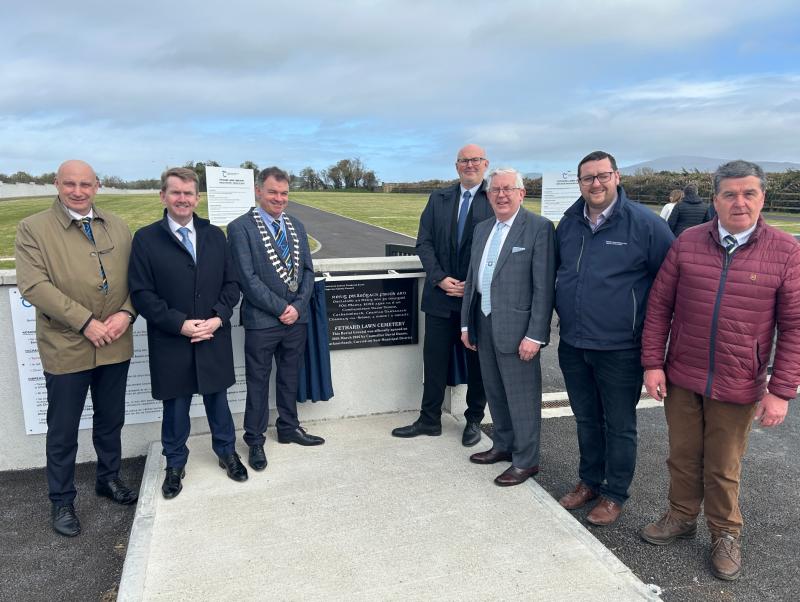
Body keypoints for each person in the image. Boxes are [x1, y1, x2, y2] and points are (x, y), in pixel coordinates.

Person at [640, 160, 800, 581]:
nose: (739, 202)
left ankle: (726, 533)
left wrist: (781, 390)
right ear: (715, 200)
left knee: (723, 464)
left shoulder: (785, 251)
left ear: (762, 198)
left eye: (749, 193)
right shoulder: (688, 242)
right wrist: (653, 363)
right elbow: (660, 306)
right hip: (683, 374)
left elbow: (795, 326)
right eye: (729, 194)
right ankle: (680, 516)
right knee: (683, 456)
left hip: (739, 380)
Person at [15, 160, 138, 537]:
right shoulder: (33, 228)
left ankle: (108, 478)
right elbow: (34, 286)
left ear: (97, 186)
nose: (78, 191)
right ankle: (62, 499)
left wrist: (127, 313)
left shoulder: (117, 225)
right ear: (57, 184)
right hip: (67, 346)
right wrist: (86, 322)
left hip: (115, 343)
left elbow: (140, 278)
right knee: (64, 429)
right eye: (70, 184)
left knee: (110, 420)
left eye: (85, 184)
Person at [554, 150, 674, 526]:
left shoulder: (644, 224)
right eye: (588, 178)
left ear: (617, 177)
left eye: (602, 176)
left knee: (619, 424)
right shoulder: (568, 223)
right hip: (574, 342)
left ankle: (614, 493)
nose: (596, 183)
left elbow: (668, 286)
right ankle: (589, 481)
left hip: (621, 347)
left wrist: (654, 345)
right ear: (579, 183)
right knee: (586, 418)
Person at [128, 167, 247, 499]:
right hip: (172, 339)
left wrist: (218, 318)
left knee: (218, 402)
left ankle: (227, 452)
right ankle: (175, 464)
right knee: (176, 408)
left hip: (212, 335)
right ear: (163, 196)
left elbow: (231, 284)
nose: (183, 199)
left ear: (197, 197)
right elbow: (141, 293)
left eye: (189, 193)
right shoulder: (146, 239)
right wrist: (179, 323)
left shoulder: (213, 235)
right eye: (176, 192)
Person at [392, 144, 493, 446]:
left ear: (485, 164)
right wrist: (439, 278)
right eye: (464, 161)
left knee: (477, 364)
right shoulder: (439, 198)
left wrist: (470, 283)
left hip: (475, 300)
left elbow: (495, 250)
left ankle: (473, 419)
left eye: (475, 160)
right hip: (440, 297)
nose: (469, 165)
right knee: (434, 361)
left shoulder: (495, 200)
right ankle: (429, 419)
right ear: (456, 165)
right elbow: (424, 243)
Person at [461, 168, 555, 486]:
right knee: (496, 392)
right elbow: (473, 279)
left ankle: (526, 460)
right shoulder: (483, 228)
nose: (501, 195)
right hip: (484, 322)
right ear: (488, 196)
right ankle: (502, 445)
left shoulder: (538, 228)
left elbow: (544, 287)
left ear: (521, 193)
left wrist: (535, 335)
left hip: (519, 329)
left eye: (508, 189)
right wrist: (466, 324)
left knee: (522, 397)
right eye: (495, 190)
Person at [228, 166, 324, 472]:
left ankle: (288, 427)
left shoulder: (295, 224)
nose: (278, 198)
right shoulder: (240, 228)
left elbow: (308, 270)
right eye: (272, 192)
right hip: (262, 320)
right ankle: (254, 439)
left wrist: (297, 305)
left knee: (290, 376)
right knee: (257, 381)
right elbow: (247, 277)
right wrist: (282, 308)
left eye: (283, 193)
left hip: (297, 318)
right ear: (259, 191)